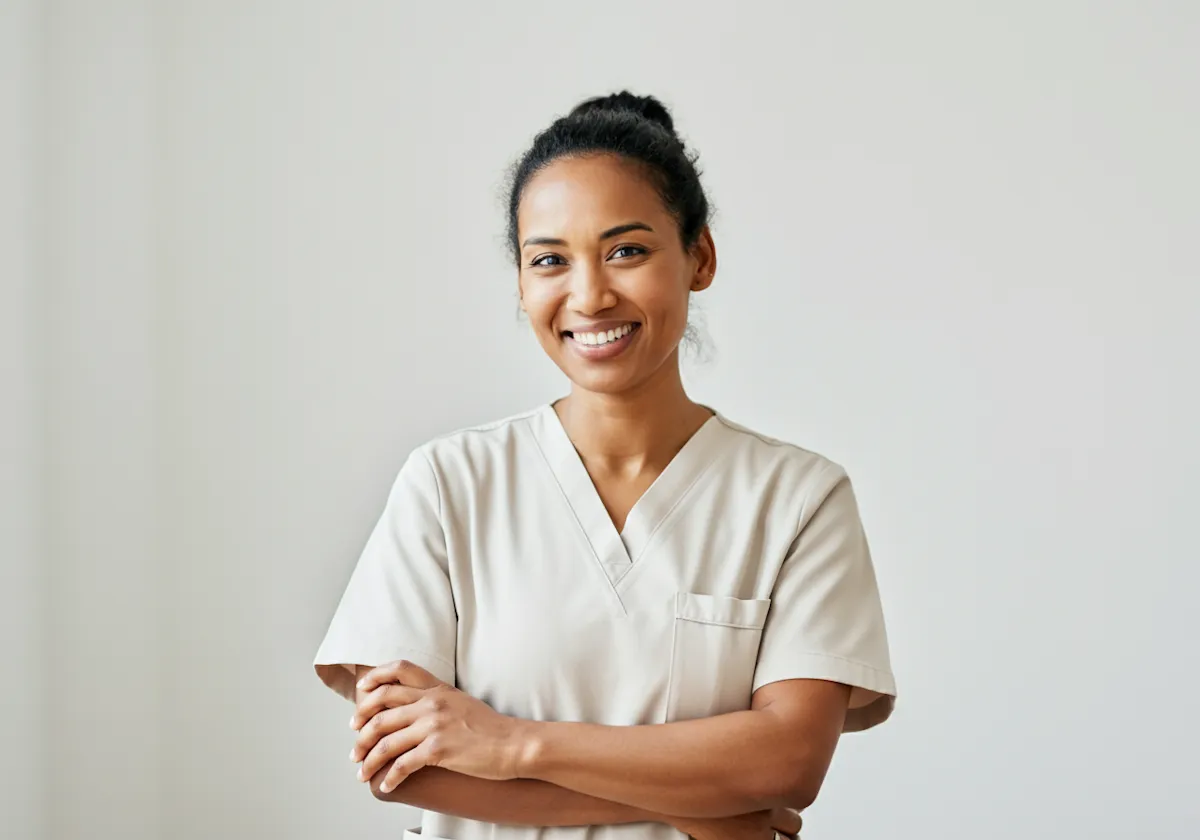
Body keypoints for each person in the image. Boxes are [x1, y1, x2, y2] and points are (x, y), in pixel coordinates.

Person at [314, 91, 896, 840]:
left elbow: (786, 765)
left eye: (627, 250)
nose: (588, 295)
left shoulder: (798, 499)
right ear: (522, 287)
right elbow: (408, 768)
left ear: (699, 257)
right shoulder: (449, 485)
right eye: (550, 260)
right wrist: (711, 804)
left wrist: (511, 744)